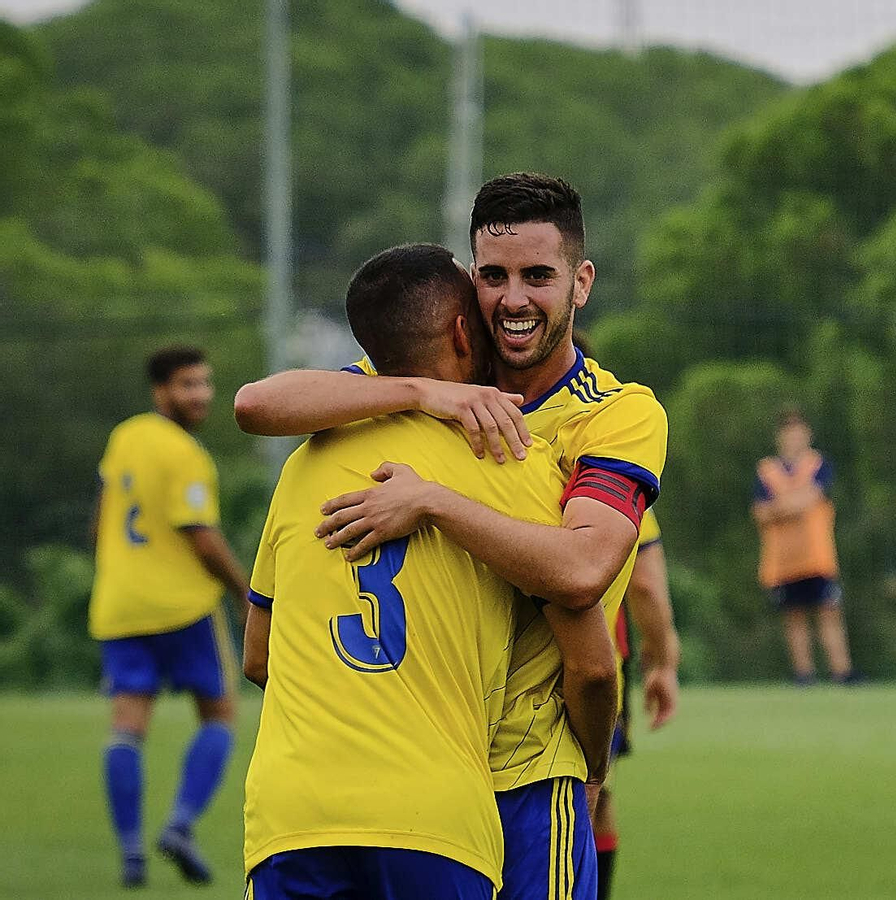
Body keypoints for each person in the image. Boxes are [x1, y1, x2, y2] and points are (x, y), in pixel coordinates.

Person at [234, 173, 667, 900]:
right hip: (427, 770)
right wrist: (423, 391)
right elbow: (255, 403)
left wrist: (433, 502)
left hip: (527, 775)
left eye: (539, 276)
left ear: (581, 282)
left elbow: (585, 567)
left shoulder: (615, 414)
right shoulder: (418, 385)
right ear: (469, 290)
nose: (515, 298)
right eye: (494, 277)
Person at [89, 346, 249, 888]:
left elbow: (100, 521)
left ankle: (131, 853)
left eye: (205, 383)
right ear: (161, 389)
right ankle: (180, 824)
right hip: (183, 605)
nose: (201, 395)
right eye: (188, 385)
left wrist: (117, 568)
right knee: (220, 714)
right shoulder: (186, 455)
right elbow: (201, 537)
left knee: (127, 726)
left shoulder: (125, 437)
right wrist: (246, 591)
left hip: (120, 604)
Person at [595, 505, 682, 900]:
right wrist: (663, 659)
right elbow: (644, 584)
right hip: (594, 664)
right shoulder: (608, 463)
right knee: (593, 795)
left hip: (494, 663)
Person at [752, 409, 857, 685]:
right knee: (794, 617)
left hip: (817, 556)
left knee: (828, 612)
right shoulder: (767, 470)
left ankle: (841, 672)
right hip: (783, 560)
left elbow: (812, 497)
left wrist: (780, 507)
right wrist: (790, 507)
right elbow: (760, 513)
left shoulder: (818, 464)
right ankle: (804, 674)